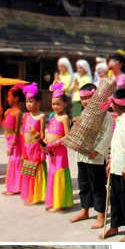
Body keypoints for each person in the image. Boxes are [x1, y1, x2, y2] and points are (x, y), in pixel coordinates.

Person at [69, 83, 112, 229]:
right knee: (84, 184)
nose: (85, 101)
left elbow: (106, 134)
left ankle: (101, 215)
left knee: (98, 186)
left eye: (88, 98)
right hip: (81, 155)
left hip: (96, 158)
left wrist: (99, 150)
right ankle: (84, 211)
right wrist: (76, 124)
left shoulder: (105, 115)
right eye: (82, 98)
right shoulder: (83, 114)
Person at [101, 88, 125, 241]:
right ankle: (115, 225)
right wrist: (111, 161)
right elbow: (117, 146)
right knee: (115, 198)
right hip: (116, 167)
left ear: (116, 105)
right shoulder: (120, 120)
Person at [44, 83, 73, 212]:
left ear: (65, 104)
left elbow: (67, 136)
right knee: (52, 173)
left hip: (60, 151)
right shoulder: (52, 116)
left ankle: (60, 202)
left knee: (59, 173)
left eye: (58, 104)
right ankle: (53, 199)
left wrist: (54, 144)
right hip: (51, 151)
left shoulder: (64, 117)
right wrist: (45, 141)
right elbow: (49, 131)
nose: (55, 106)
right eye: (53, 104)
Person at [21, 84, 47, 206]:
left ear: (38, 102)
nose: (28, 104)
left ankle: (38, 194)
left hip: (36, 146)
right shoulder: (26, 115)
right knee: (28, 169)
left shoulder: (41, 116)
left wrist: (42, 150)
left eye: (31, 101)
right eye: (27, 101)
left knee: (36, 169)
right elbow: (23, 133)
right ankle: (29, 193)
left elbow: (42, 135)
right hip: (26, 146)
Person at [0, 84, 25, 196]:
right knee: (12, 162)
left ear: (16, 98)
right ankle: (11, 185)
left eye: (9, 96)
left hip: (15, 140)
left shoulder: (18, 112)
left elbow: (16, 131)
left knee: (15, 161)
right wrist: (0, 116)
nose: (7, 99)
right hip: (8, 138)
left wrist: (12, 145)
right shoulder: (7, 111)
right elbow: (4, 126)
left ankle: (16, 187)